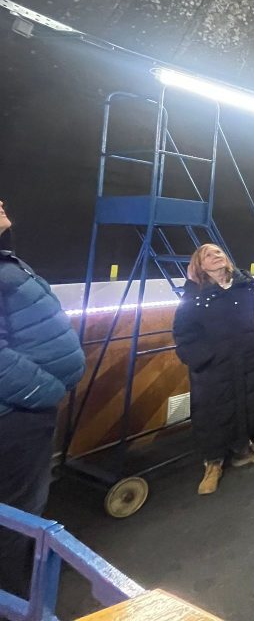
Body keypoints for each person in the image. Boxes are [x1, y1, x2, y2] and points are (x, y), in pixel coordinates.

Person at [0, 199, 85, 596]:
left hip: (24, 413)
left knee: (21, 511)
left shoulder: (6, 261)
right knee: (15, 516)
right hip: (16, 417)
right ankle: (17, 603)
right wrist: (46, 390)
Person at [172, 244, 254, 495]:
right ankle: (213, 464)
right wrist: (208, 356)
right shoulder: (194, 294)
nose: (215, 255)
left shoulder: (248, 286)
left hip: (248, 360)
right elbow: (184, 334)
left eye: (218, 252)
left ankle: (244, 450)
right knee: (212, 415)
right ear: (199, 266)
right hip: (214, 368)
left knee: (248, 406)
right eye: (207, 255)